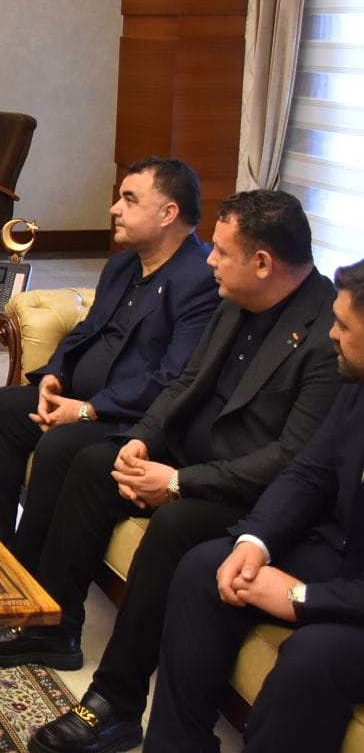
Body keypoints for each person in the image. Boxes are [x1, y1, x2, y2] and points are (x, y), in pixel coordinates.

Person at [0, 189, 341, 753]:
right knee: (95, 462)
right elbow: (186, 382)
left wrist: (180, 484)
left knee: (175, 527)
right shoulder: (238, 296)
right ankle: (55, 627)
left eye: (222, 252)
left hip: (246, 487)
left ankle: (115, 703)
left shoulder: (331, 332)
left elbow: (291, 459)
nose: (210, 259)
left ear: (263, 263)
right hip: (188, 455)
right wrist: (141, 439)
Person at [147, 260, 364, 753]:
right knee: (207, 567)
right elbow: (310, 471)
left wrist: (302, 598)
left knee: (311, 658)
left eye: (344, 327)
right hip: (343, 551)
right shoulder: (356, 386)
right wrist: (256, 541)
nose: (331, 335)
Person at [0, 156, 218, 567]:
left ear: (168, 213)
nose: (114, 208)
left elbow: (174, 377)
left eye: (129, 200)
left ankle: (27, 575)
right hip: (82, 400)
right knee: (2, 407)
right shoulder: (123, 264)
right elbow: (85, 332)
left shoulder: (201, 280)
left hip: (131, 418)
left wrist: (87, 410)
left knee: (61, 445)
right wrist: (54, 377)